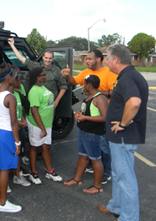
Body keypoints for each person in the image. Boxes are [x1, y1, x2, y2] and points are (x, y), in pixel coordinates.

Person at [97, 44, 148, 221]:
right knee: (119, 175)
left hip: (123, 137)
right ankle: (116, 207)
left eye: (108, 58)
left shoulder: (127, 78)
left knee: (126, 179)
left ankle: (129, 218)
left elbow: (134, 102)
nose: (106, 62)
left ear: (116, 60)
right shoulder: (129, 75)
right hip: (119, 138)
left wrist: (123, 124)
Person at [61, 49, 117, 184]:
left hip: (102, 116)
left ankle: (106, 172)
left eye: (89, 59)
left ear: (99, 59)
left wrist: (95, 93)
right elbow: (74, 83)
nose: (86, 61)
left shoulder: (109, 73)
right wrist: (68, 75)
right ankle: (92, 167)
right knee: (89, 146)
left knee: (104, 147)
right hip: (88, 118)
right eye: (86, 59)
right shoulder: (86, 73)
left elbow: (115, 93)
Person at [64, 75, 108, 194]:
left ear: (89, 85)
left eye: (84, 84)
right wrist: (79, 114)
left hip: (93, 134)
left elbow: (104, 117)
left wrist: (84, 117)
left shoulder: (99, 98)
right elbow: (88, 112)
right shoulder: (89, 97)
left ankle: (97, 186)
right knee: (83, 156)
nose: (83, 86)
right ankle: (77, 179)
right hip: (83, 132)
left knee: (95, 160)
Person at [0, 64, 22, 213]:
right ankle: (3, 203)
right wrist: (17, 142)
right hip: (6, 133)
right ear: (8, 78)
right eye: (14, 76)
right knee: (4, 169)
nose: (15, 79)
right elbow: (14, 122)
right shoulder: (10, 97)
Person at [8, 37, 68, 109]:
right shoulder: (36, 66)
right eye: (46, 58)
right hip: (35, 102)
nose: (48, 60)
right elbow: (21, 58)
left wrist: (56, 101)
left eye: (50, 58)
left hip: (49, 103)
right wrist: (12, 45)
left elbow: (63, 87)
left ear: (53, 58)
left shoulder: (57, 71)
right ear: (43, 57)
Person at [26, 67, 62, 184]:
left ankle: (49, 171)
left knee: (46, 147)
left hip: (47, 124)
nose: (46, 76)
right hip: (37, 124)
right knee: (35, 147)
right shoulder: (34, 91)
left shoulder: (42, 87)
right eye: (43, 75)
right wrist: (42, 128)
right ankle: (33, 172)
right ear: (38, 78)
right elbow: (34, 111)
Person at [9, 65, 31, 187]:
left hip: (18, 128)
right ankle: (3, 182)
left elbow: (20, 107)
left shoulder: (17, 92)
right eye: (17, 76)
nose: (20, 78)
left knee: (18, 152)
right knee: (8, 154)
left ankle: (18, 174)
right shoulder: (2, 93)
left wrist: (22, 119)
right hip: (8, 130)